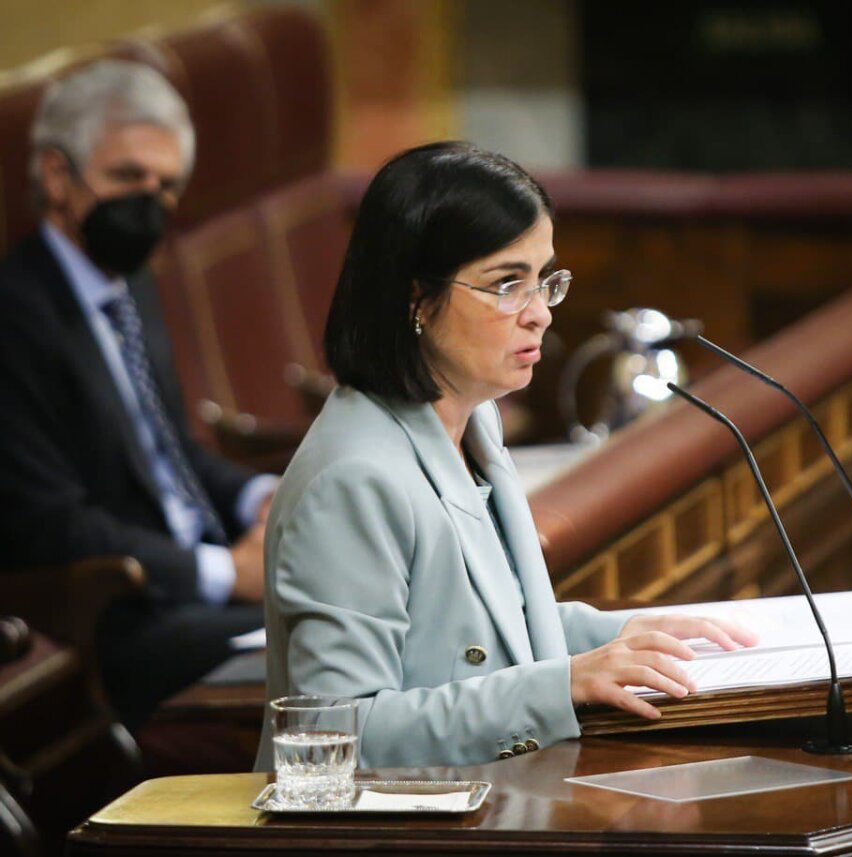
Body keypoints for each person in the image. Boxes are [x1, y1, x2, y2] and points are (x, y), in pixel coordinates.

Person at [255, 142, 757, 769]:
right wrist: (562, 685)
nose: (540, 314)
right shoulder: (354, 478)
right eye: (507, 285)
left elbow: (482, 629)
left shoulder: (471, 419)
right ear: (417, 299)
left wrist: (625, 638)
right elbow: (338, 734)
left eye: (545, 279)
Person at [0, 60, 274, 729]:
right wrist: (225, 573)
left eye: (167, 184)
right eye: (128, 177)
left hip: (196, 591)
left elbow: (170, 450)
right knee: (334, 648)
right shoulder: (15, 313)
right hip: (117, 615)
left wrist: (264, 496)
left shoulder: (130, 283)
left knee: (373, 613)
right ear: (58, 176)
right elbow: (49, 524)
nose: (149, 202)